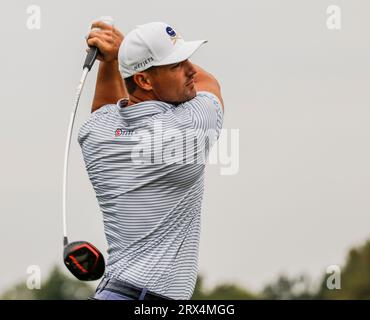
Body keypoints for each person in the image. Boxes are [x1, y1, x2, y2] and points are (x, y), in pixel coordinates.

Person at [80, 20, 224, 300]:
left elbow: (105, 109)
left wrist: (114, 61)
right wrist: (121, 52)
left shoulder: (96, 133)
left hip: (113, 291)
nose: (191, 69)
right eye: (176, 65)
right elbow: (210, 84)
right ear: (144, 80)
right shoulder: (189, 126)